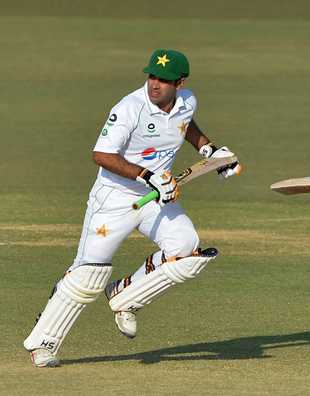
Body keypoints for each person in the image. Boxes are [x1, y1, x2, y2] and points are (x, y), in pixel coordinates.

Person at [23, 49, 241, 367]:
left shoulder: (187, 101)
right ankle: (44, 343)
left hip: (157, 198)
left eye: (164, 80)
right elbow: (102, 155)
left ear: (180, 83)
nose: (155, 84)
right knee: (88, 273)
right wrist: (147, 175)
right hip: (114, 200)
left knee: (187, 249)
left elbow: (185, 124)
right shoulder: (129, 108)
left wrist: (210, 150)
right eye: (152, 76)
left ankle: (125, 297)